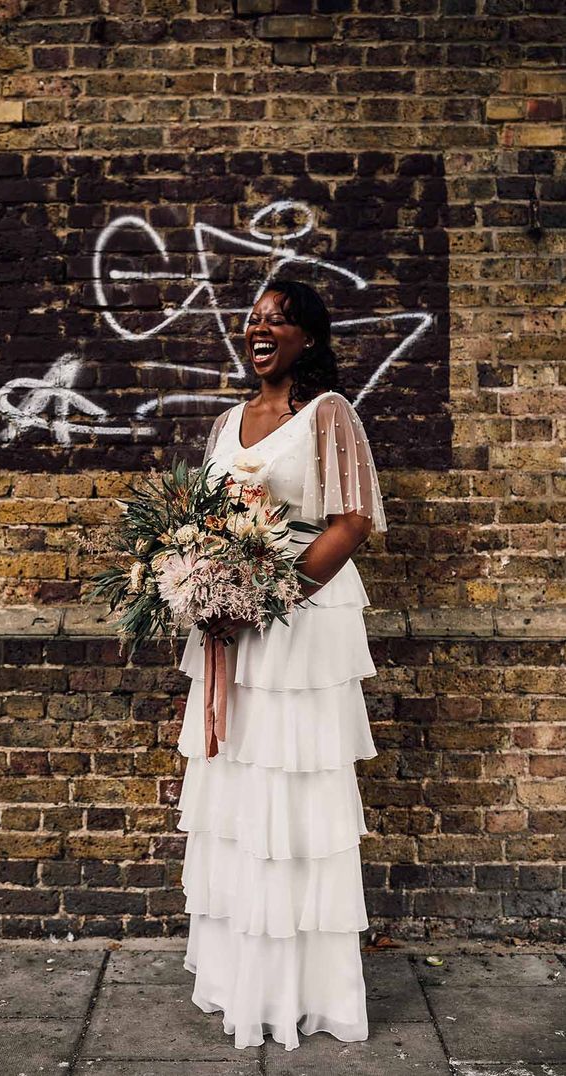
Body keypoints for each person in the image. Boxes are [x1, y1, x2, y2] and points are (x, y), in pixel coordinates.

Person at [175, 277, 388, 1052]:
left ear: (308, 338)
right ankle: (243, 979)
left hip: (296, 622)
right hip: (229, 621)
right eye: (254, 319)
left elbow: (354, 519)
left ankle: (303, 988)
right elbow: (202, 519)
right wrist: (201, 578)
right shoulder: (230, 421)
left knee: (291, 801)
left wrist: (269, 596)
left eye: (279, 321)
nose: (261, 330)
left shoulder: (328, 415)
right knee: (239, 795)